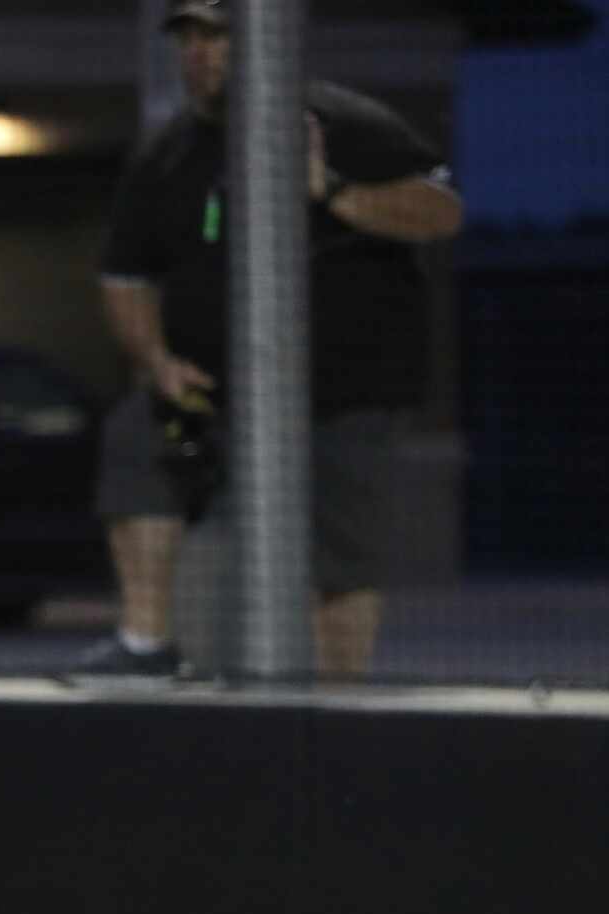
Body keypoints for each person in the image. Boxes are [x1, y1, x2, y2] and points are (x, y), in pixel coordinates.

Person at [78, 0, 465, 679]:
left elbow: (441, 213)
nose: (199, 53)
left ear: (257, 45)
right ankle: (144, 644)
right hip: (216, 388)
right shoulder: (165, 154)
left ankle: (340, 700)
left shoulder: (340, 122)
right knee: (137, 436)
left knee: (338, 555)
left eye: (217, 36)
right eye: (188, 38)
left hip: (347, 390)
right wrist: (156, 361)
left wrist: (336, 192)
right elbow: (124, 275)